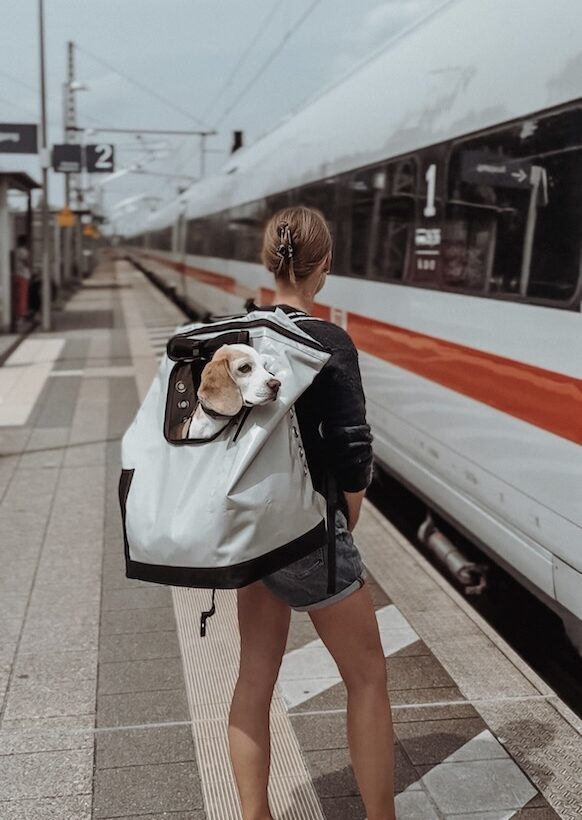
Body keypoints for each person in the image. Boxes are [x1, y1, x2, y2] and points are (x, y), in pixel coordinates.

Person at [227, 206, 396, 820]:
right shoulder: (327, 341)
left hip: (249, 532)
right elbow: (353, 455)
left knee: (253, 679)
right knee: (368, 677)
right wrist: (343, 521)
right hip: (307, 529)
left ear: (267, 261)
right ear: (323, 266)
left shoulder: (233, 334)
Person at [14, 235, 31, 320]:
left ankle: (17, 312)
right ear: (25, 242)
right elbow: (26, 262)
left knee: (17, 295)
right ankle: (22, 313)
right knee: (23, 295)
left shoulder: (16, 251)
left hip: (17, 274)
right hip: (24, 275)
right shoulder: (24, 251)